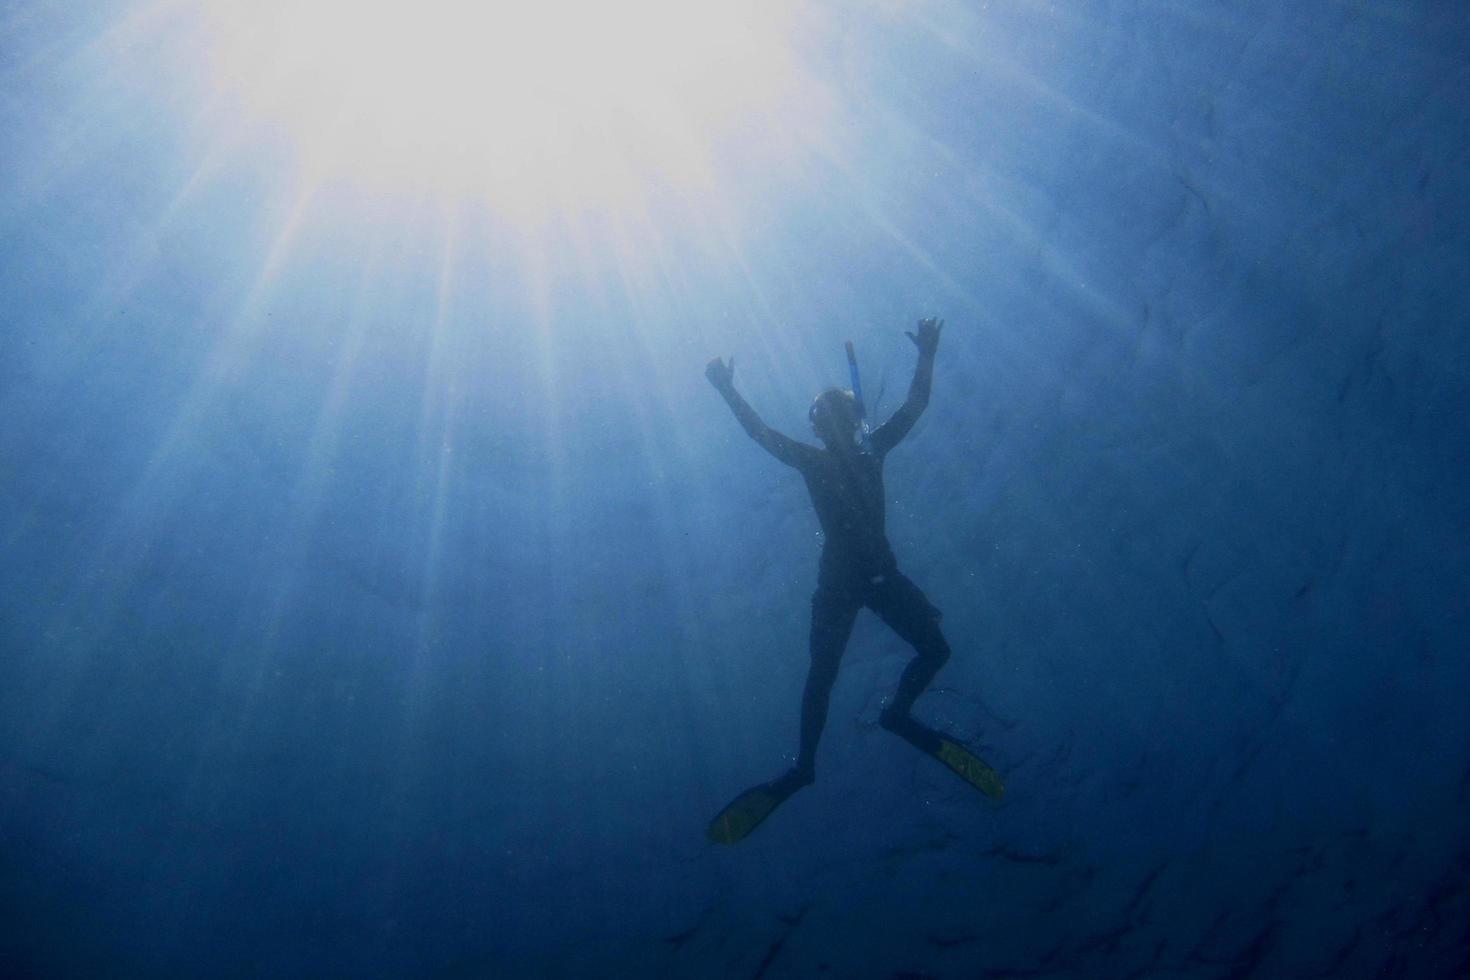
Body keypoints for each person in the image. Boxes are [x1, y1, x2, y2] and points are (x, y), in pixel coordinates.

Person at [704, 318, 1002, 845]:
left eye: (844, 415)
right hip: (843, 581)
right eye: (828, 418)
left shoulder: (872, 450)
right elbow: (758, 432)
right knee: (822, 674)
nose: (837, 425)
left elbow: (915, 406)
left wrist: (927, 355)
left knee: (936, 650)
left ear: (854, 419)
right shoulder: (815, 460)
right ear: (820, 428)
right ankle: (804, 767)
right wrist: (728, 389)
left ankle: (897, 715)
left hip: (882, 575)